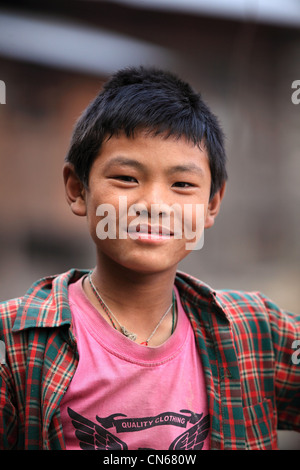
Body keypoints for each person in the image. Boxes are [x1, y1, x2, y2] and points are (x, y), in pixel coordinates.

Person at [0, 66, 299, 451]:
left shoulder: (256, 333)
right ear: (77, 189)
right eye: (126, 178)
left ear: (212, 204)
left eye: (182, 185)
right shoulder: (17, 342)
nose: (154, 205)